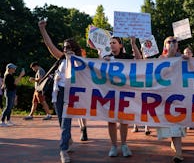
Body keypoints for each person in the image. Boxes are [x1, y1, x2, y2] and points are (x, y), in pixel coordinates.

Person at [38, 20, 89, 163]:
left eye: (68, 47)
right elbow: (49, 45)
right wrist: (42, 29)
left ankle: (63, 150)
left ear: (74, 48)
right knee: (62, 122)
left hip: (71, 95)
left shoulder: (80, 61)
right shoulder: (61, 59)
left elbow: (91, 70)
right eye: (64, 47)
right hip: (59, 92)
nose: (66, 49)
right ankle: (68, 139)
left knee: (66, 123)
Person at [100, 36, 142, 157]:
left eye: (114, 43)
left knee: (124, 120)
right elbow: (97, 72)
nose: (112, 45)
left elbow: (139, 60)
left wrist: (134, 44)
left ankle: (124, 144)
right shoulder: (106, 58)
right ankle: (113, 146)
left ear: (120, 45)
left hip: (124, 93)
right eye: (110, 43)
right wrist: (102, 61)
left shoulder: (127, 57)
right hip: (110, 93)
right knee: (111, 121)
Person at [157, 36, 186, 163]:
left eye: (174, 41)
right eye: (169, 42)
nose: (172, 44)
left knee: (177, 123)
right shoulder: (160, 59)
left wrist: (188, 60)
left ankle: (178, 153)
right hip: (165, 97)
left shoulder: (183, 59)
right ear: (165, 46)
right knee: (172, 123)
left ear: (178, 45)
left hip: (179, 96)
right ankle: (177, 149)